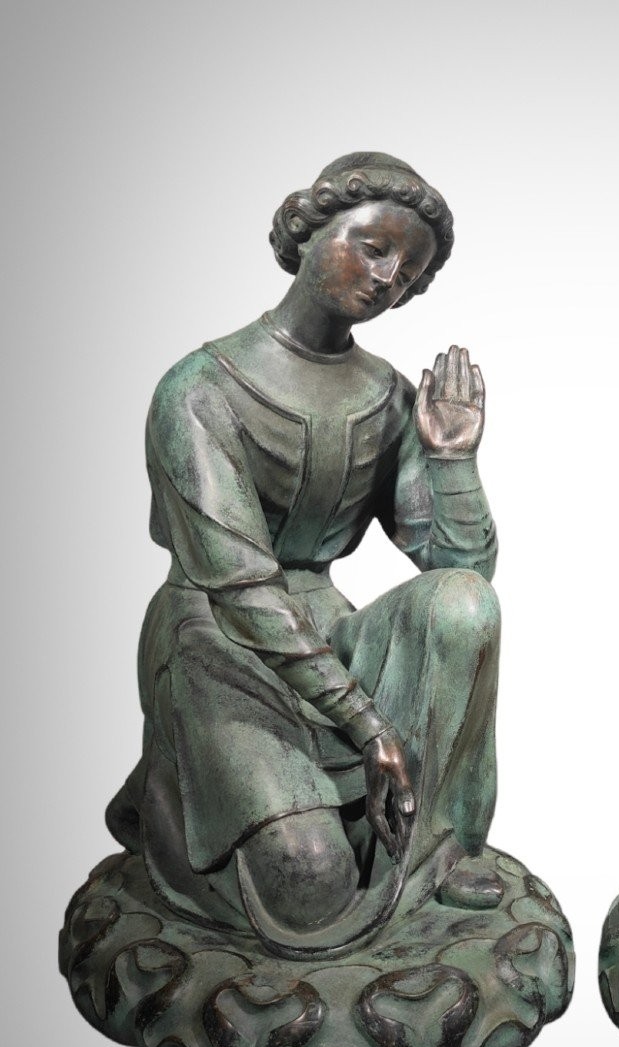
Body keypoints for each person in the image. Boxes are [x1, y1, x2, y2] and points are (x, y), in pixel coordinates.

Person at [106, 152, 504, 956]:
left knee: (465, 605)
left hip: (329, 628)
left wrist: (452, 460)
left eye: (407, 273)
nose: (387, 279)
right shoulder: (199, 389)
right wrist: (369, 724)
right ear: (310, 228)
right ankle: (174, 813)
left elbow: (459, 567)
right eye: (373, 248)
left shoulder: (389, 397)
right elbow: (239, 585)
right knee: (309, 881)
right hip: (217, 637)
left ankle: (441, 843)